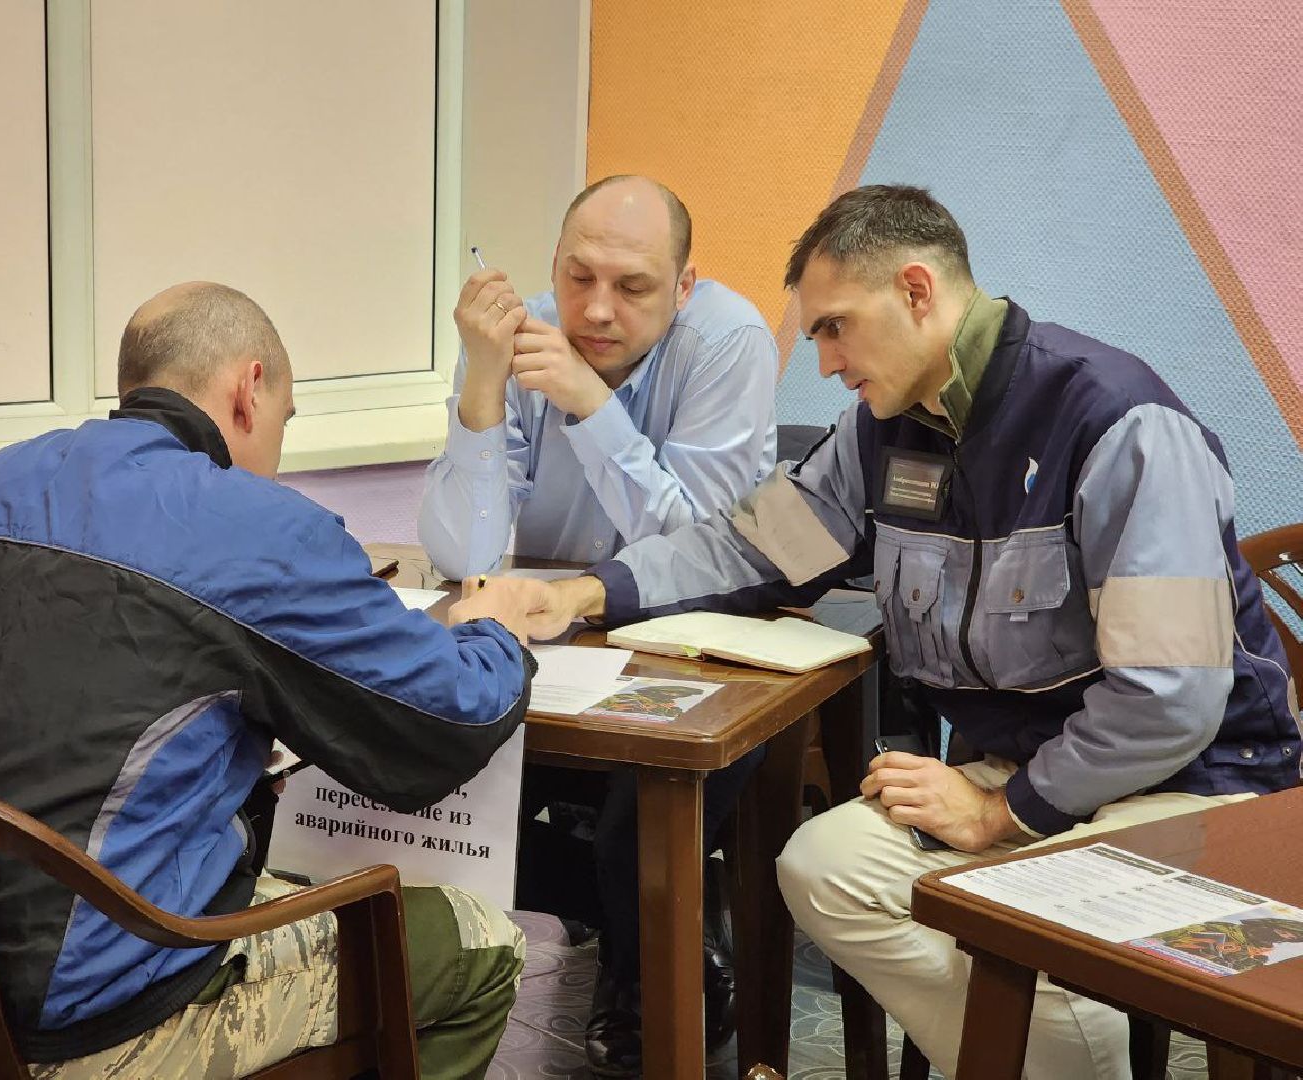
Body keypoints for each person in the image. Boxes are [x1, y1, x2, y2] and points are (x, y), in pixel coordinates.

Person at [523, 185, 1301, 1078]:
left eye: (835, 328)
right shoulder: (881, 429)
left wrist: (1003, 811)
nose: (822, 363)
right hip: (1025, 767)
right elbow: (751, 546)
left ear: (918, 291)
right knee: (819, 866)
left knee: (1035, 931)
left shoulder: (1119, 423)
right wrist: (585, 594)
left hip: (1196, 780)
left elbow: (1171, 701)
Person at [0, 282, 549, 1080]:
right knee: (479, 940)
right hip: (90, 1024)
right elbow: (449, 724)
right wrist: (496, 626)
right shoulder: (254, 526)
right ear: (248, 389)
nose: (277, 455)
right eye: (285, 425)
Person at [418, 174, 779, 1074]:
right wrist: (482, 393)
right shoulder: (518, 330)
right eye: (577, 279)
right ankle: (653, 932)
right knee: (421, 777)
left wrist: (590, 407)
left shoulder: (728, 341)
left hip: (704, 645)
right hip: (551, 638)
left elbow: (706, 548)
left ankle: (651, 978)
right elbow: (462, 548)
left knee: (632, 828)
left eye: (632, 287)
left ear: (685, 284)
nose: (596, 309)